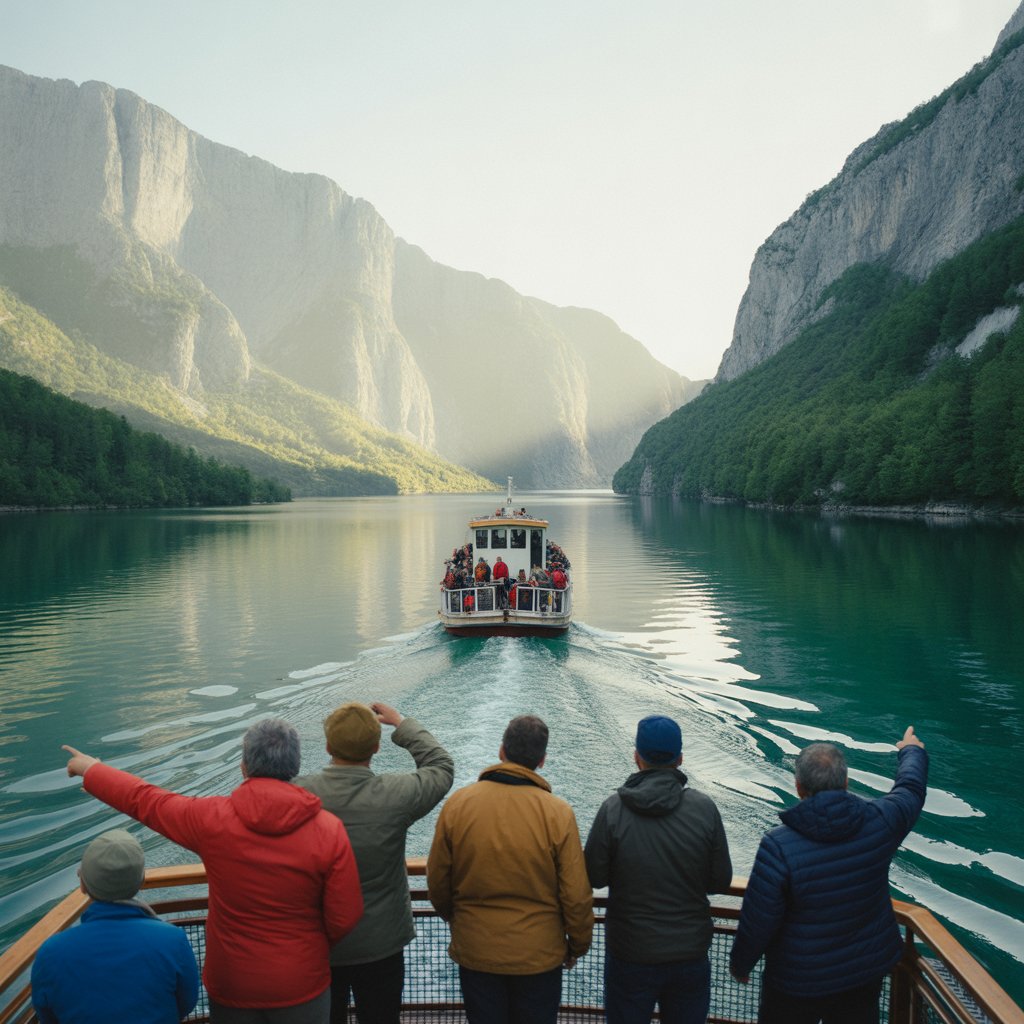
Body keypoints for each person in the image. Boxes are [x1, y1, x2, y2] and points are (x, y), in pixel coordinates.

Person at [63, 718, 364, 1023]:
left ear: (244, 766)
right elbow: (345, 915)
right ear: (295, 766)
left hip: (233, 981)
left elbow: (146, 800)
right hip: (300, 979)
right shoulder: (328, 830)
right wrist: (306, 947)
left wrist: (92, 769)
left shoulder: (211, 819)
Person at [730, 726, 929, 1024]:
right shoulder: (881, 822)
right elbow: (910, 788)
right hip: (862, 973)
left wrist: (741, 964)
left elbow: (760, 918)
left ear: (799, 788)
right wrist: (911, 750)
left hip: (796, 981)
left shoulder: (779, 845)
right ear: (846, 782)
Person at [427, 714, 593, 1024]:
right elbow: (575, 894)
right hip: (539, 957)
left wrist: (459, 919)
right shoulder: (558, 813)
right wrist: (577, 944)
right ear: (542, 760)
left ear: (502, 750)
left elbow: (437, 881)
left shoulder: (458, 805)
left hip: (477, 950)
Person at [295, 702, 454, 1024]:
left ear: (328, 746)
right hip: (382, 943)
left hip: (318, 943)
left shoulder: (297, 794)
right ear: (377, 747)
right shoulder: (396, 794)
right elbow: (441, 766)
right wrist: (401, 723)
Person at [585, 715, 733, 1024]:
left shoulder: (613, 810)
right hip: (689, 954)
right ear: (680, 759)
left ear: (636, 756)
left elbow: (594, 877)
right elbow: (721, 880)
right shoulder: (705, 809)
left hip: (630, 952)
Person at [31, 829, 199, 1024]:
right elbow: (187, 1002)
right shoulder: (173, 940)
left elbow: (47, 1015)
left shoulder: (51, 952)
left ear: (83, 884)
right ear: (141, 881)